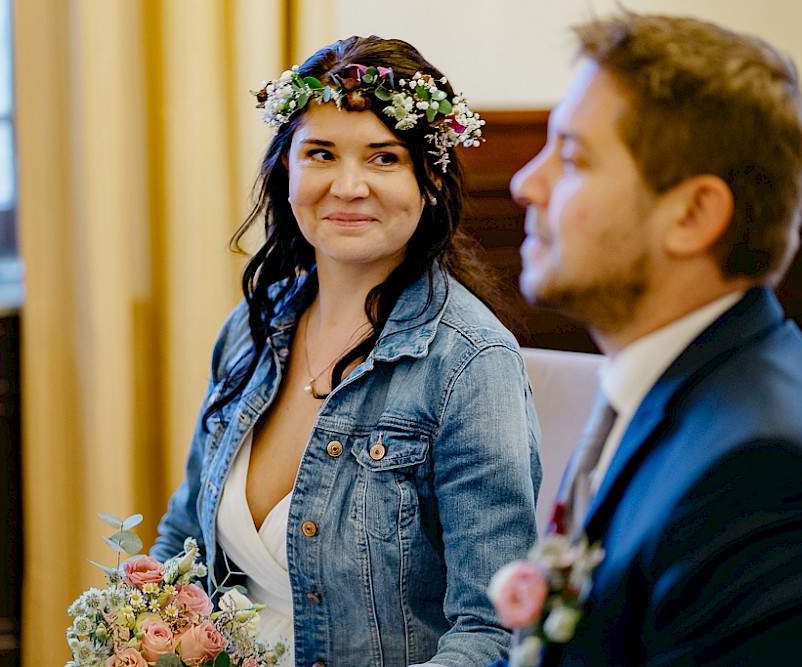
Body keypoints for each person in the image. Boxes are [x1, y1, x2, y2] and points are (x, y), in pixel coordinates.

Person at [504, 11, 802, 666]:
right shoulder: (672, 385)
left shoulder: (768, 479)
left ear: (694, 214)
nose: (524, 183)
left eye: (571, 157)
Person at [152, 35, 541, 667]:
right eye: (321, 153)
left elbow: (493, 632)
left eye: (384, 158)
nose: (349, 185)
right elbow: (184, 540)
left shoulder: (470, 364)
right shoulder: (251, 330)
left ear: (432, 177)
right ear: (288, 170)